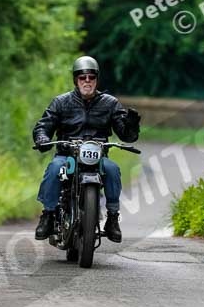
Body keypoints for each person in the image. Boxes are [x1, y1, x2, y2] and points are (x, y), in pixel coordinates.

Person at [32, 55, 141, 243]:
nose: (87, 81)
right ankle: (48, 215)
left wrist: (131, 124)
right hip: (67, 154)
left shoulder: (110, 103)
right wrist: (42, 137)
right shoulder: (61, 102)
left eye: (91, 77)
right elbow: (44, 125)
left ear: (97, 79)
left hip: (97, 158)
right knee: (54, 169)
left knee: (113, 169)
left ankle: (113, 218)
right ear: (76, 80)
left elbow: (126, 135)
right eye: (83, 77)